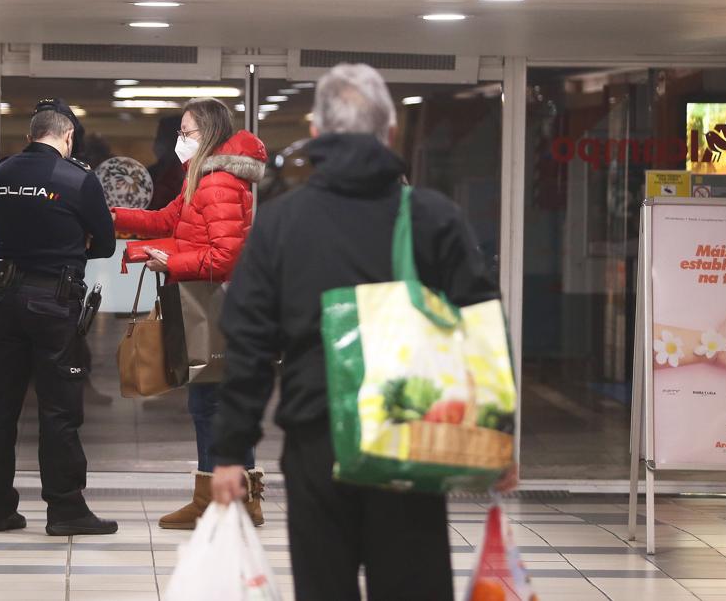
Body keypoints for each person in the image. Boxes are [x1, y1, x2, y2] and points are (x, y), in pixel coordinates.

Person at [209, 64, 517, 600]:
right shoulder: (433, 217)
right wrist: (500, 434)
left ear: (316, 135)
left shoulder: (283, 223)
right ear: (390, 132)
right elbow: (483, 327)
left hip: (317, 439)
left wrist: (232, 451)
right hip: (413, 432)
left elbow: (250, 343)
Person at [111, 97, 268, 530]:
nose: (180, 140)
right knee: (215, 401)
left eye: (187, 132)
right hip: (211, 301)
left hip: (214, 305)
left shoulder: (217, 183)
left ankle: (220, 502)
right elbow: (167, 220)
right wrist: (113, 217)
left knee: (210, 403)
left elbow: (226, 256)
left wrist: (171, 263)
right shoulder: (201, 177)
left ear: (211, 133)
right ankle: (234, 500)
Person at [0, 97, 119, 536]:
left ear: (29, 135)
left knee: (0, 407)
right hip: (53, 304)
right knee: (59, 408)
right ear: (69, 136)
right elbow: (106, 245)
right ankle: (65, 509)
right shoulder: (77, 178)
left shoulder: (1, 173)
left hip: (4, 301)